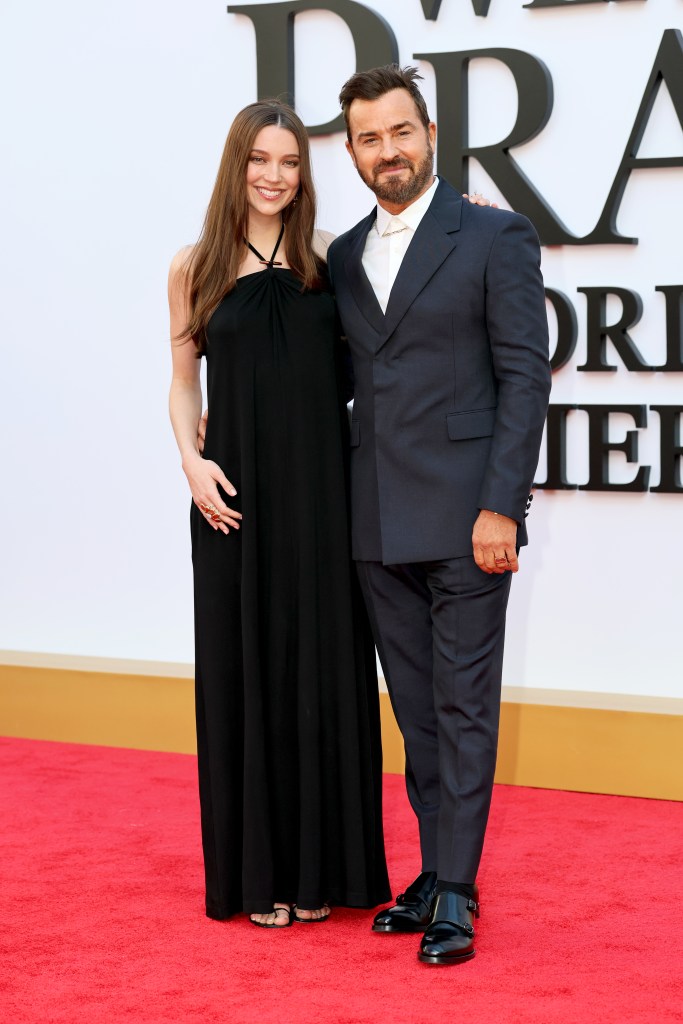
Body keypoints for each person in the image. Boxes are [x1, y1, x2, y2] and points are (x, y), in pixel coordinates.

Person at [326, 65, 552, 965]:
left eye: (401, 132)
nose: (388, 150)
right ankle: (434, 868)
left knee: (462, 710)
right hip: (375, 524)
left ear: (429, 134)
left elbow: (524, 378)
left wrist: (500, 505)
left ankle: (454, 889)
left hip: (467, 522)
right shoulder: (342, 256)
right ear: (351, 151)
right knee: (415, 713)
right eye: (368, 138)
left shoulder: (495, 235)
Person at [167, 99, 393, 927]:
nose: (274, 175)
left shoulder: (330, 259)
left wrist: (471, 209)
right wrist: (190, 461)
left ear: (304, 174)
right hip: (231, 502)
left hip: (322, 496)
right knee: (246, 670)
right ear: (237, 165)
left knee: (324, 669)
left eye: (290, 162)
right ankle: (258, 875)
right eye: (260, 159)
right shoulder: (193, 266)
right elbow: (183, 378)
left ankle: (324, 874)